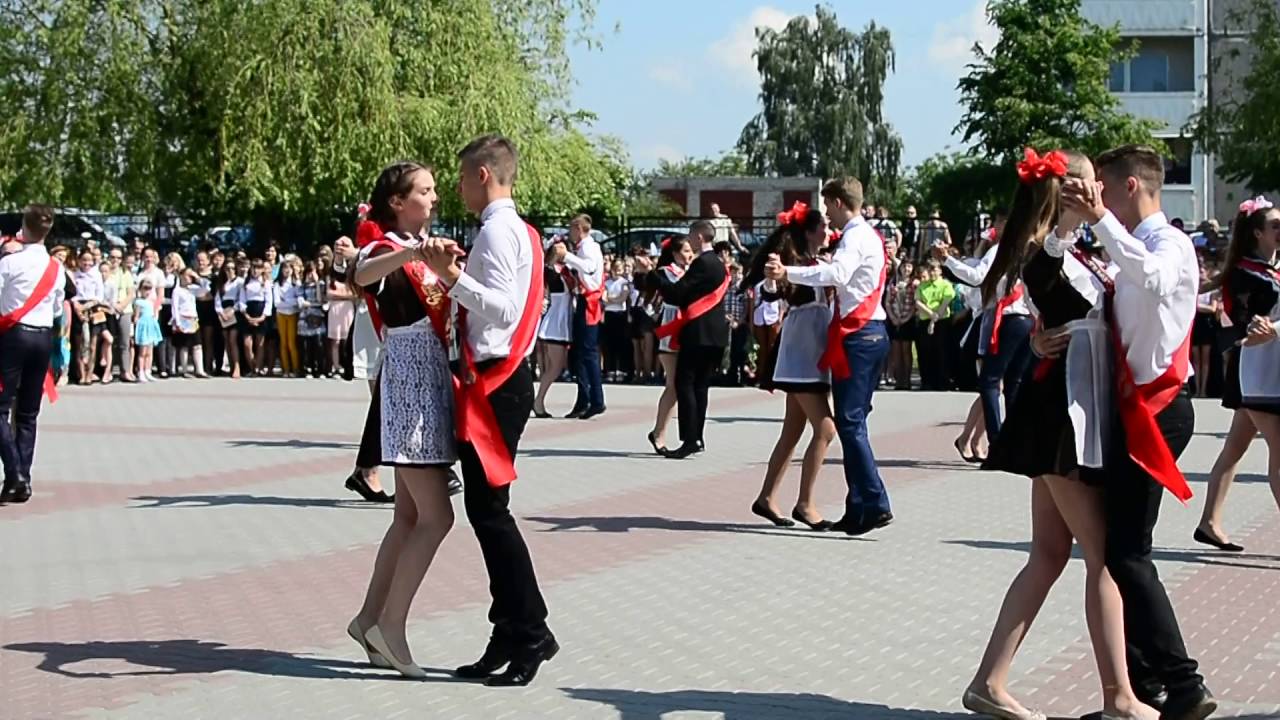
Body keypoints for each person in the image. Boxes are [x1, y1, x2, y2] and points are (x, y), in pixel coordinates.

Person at [1060, 144, 1216, 720]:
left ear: (1129, 186)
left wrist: (1098, 220)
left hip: (1161, 409)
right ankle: (1145, 686)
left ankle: (1183, 683)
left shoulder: (1168, 244)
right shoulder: (1125, 244)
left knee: (1127, 553)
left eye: (1102, 186)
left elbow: (1148, 278)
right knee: (1119, 549)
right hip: (1133, 409)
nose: (1095, 196)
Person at [420, 134, 557, 687]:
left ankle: (531, 631)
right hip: (499, 381)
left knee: (491, 512)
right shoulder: (515, 230)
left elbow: (501, 307)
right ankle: (508, 631)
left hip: (496, 383)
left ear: (483, 175)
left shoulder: (499, 233)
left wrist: (451, 278)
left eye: (458, 178)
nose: (454, 189)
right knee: (485, 510)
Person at [347, 161, 457, 680]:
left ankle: (370, 618)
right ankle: (392, 627)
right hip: (411, 377)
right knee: (437, 518)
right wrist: (410, 253)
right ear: (397, 200)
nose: (434, 197)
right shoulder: (383, 245)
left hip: (431, 374)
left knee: (409, 517)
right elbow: (361, 275)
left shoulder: (426, 243)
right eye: (425, 190)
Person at [766, 177, 892, 536]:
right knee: (852, 424)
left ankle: (875, 501)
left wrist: (787, 272)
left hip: (858, 335)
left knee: (849, 424)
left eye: (828, 207)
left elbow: (837, 274)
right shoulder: (866, 235)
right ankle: (857, 508)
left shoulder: (854, 236)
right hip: (865, 333)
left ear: (838, 202)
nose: (828, 220)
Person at [1194, 195, 1280, 553]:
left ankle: (1209, 521)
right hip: (1258, 371)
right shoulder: (1243, 272)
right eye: (1276, 225)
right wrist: (1258, 328)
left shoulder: (1274, 270)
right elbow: (1240, 319)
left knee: (1234, 448)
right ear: (1257, 232)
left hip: (1273, 369)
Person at [743, 203, 836, 530]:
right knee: (826, 429)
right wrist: (770, 280)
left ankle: (766, 498)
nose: (828, 230)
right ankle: (805, 504)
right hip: (800, 352)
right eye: (823, 226)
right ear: (810, 231)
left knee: (793, 431)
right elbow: (772, 294)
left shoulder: (820, 261)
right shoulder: (792, 264)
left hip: (813, 351)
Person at [936, 205, 1034, 445]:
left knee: (990, 380)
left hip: (1006, 317)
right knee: (1014, 381)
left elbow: (977, 276)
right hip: (1026, 316)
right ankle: (1015, 440)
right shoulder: (1028, 249)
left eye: (998, 222)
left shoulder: (1001, 249)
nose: (994, 228)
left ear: (1005, 224)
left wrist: (947, 260)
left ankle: (998, 439)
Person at [0, 205, 66, 504]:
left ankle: (15, 474)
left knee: (1, 408)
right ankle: (22, 477)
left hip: (13, 336)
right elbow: (55, 309)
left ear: (22, 228)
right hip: (42, 337)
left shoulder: (10, 263)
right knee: (28, 413)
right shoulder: (56, 267)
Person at [657, 220, 731, 459]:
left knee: (685, 383)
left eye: (690, 235)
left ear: (700, 237)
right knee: (700, 386)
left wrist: (657, 278)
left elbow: (679, 293)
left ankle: (690, 438)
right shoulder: (719, 264)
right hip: (715, 334)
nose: (688, 240)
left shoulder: (701, 263)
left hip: (698, 332)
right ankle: (697, 437)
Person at [646, 237, 694, 454]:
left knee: (680, 385)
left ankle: (667, 432)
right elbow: (676, 293)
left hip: (689, 326)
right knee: (673, 384)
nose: (690, 255)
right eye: (685, 250)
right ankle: (659, 432)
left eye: (691, 250)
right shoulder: (666, 272)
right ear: (674, 253)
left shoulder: (692, 270)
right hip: (673, 324)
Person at [558, 214, 606, 419]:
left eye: (572, 228)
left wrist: (566, 256)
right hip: (584, 301)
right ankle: (584, 398)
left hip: (589, 302)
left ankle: (596, 399)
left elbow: (588, 267)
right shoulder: (584, 248)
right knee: (579, 353)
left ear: (579, 228)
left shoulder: (588, 248)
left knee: (587, 353)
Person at [533, 245, 573, 418]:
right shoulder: (550, 270)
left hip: (562, 317)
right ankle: (538, 401)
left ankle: (539, 400)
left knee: (556, 366)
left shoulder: (565, 270)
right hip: (556, 320)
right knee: (555, 367)